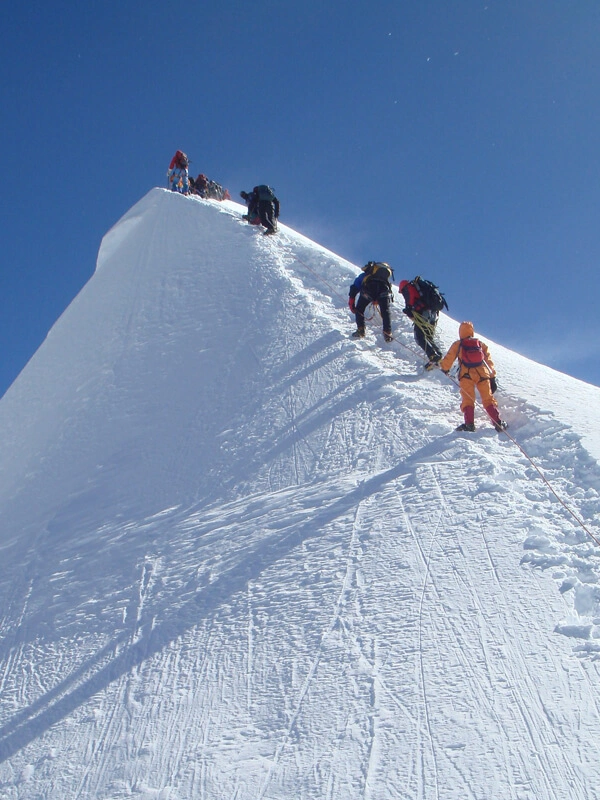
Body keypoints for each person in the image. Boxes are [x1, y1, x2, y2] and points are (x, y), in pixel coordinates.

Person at [438, 321, 508, 432]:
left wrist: (445, 369)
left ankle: (469, 424)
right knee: (488, 398)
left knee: (468, 399)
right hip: (483, 374)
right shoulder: (480, 344)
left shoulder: (459, 344)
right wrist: (492, 376)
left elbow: (449, 358)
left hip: (466, 375)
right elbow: (488, 361)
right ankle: (498, 423)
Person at [398, 277, 444, 368]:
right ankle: (438, 355)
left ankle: (433, 356)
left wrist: (408, 310)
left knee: (419, 336)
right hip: (433, 314)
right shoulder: (419, 289)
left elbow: (410, 303)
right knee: (428, 336)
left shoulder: (408, 288)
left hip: (423, 314)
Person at [348, 262, 394, 342]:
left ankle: (361, 330)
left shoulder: (365, 275)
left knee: (359, 309)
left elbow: (355, 287)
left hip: (369, 290)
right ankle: (387, 332)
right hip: (384, 290)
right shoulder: (384, 279)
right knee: (385, 311)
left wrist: (351, 301)